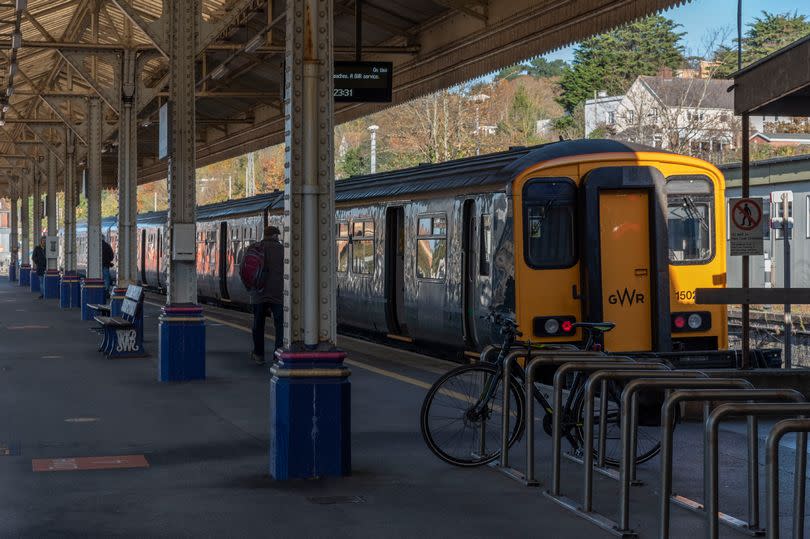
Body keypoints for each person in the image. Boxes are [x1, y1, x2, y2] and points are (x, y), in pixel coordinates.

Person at [249, 225, 284, 365]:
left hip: (259, 293)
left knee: (258, 324)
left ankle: (258, 354)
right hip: (278, 294)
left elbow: (245, 271)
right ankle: (277, 355)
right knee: (280, 325)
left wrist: (251, 289)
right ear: (276, 236)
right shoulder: (284, 250)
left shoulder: (254, 248)